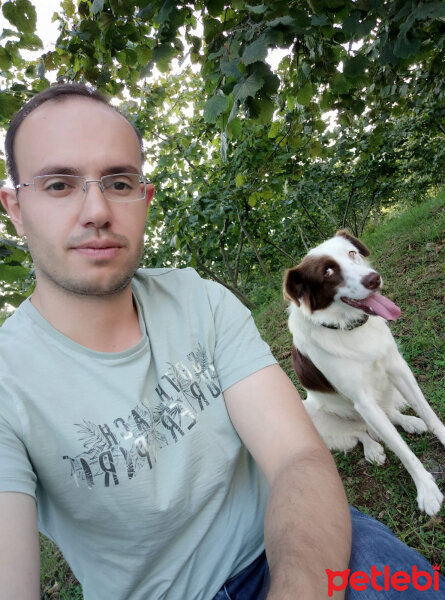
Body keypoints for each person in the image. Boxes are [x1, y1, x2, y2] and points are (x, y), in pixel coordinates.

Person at [0, 83, 442, 600]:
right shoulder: (9, 380)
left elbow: (299, 456)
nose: (96, 209)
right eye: (58, 184)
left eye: (119, 181)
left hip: (298, 540)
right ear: (15, 206)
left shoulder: (200, 301)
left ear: (145, 197)